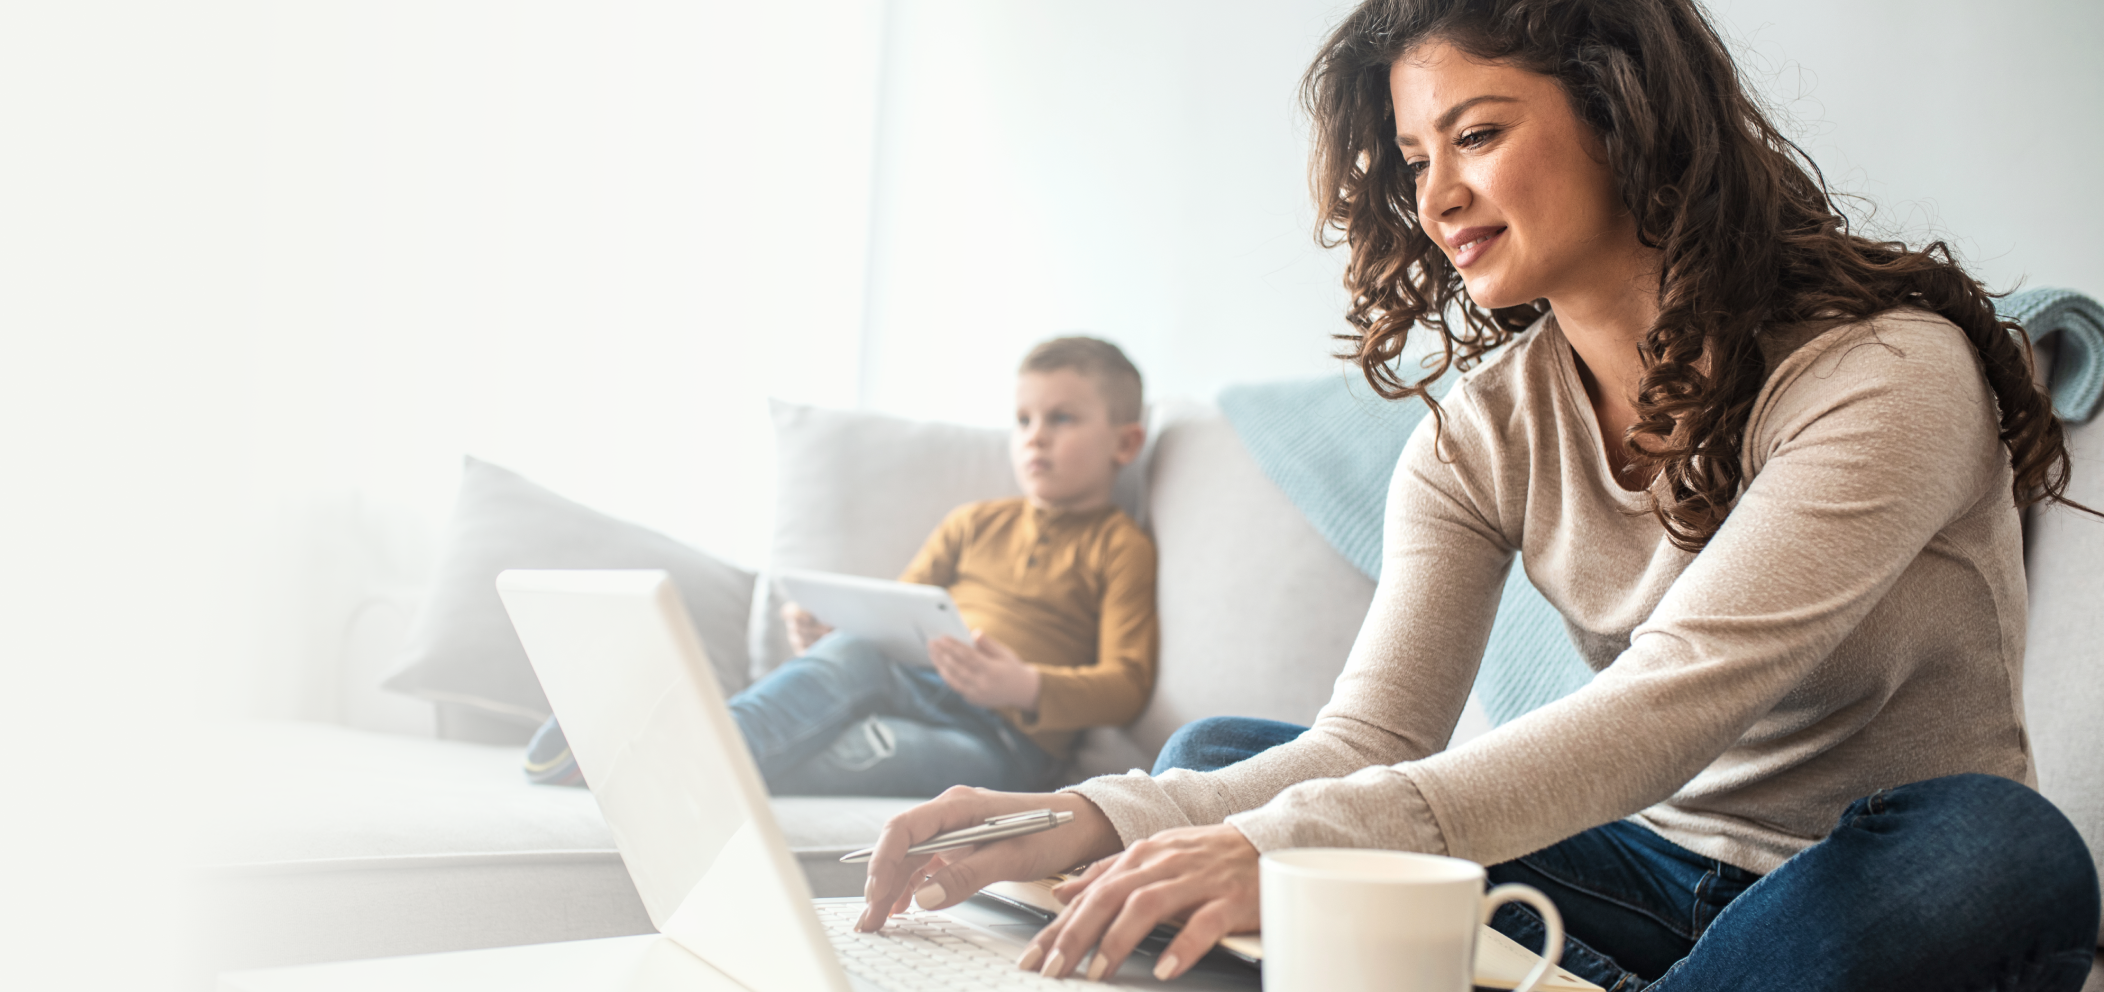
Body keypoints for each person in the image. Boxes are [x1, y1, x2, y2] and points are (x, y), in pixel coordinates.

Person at [848, 1, 2102, 990]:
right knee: (1226, 760)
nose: (1434, 195)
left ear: (1624, 115)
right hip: (1644, 867)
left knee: (1998, 851)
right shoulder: (1479, 433)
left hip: (1865, 877)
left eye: (1479, 133)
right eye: (1410, 157)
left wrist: (1289, 850)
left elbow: (1675, 697)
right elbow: (1366, 744)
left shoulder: (1882, 371)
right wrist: (1086, 812)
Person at [523, 336, 1159, 797]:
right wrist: (837, 634)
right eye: (1023, 419)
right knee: (853, 651)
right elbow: (896, 615)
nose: (1035, 437)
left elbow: (1128, 682)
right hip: (909, 684)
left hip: (1002, 746)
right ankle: (658, 757)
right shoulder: (975, 521)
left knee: (848, 749)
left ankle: (642, 753)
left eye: (1062, 419)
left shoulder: (1119, 546)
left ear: (1125, 442)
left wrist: (1025, 688)